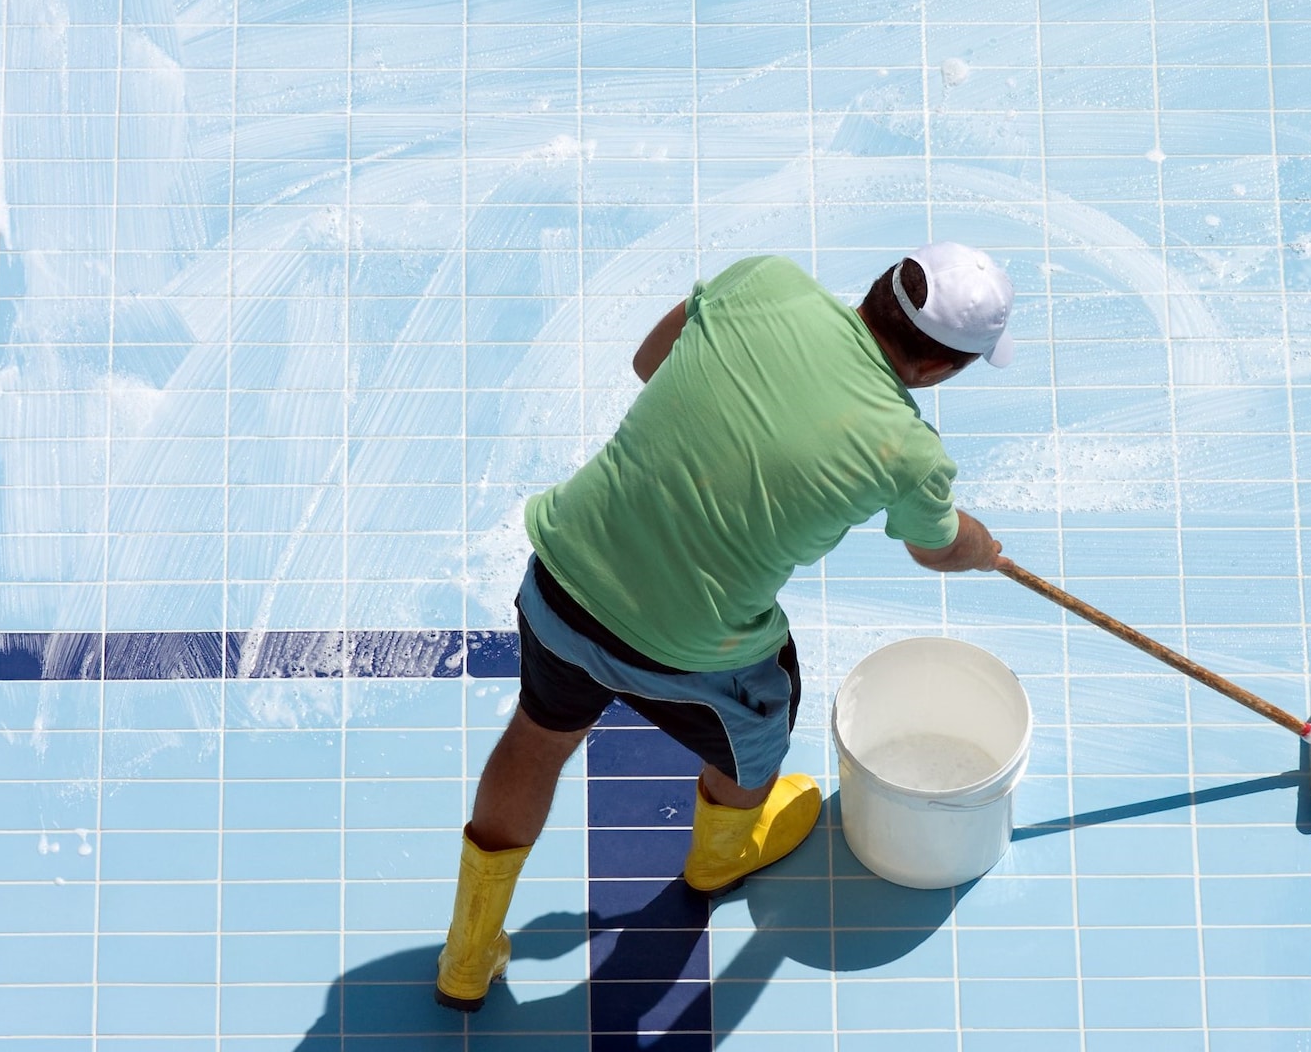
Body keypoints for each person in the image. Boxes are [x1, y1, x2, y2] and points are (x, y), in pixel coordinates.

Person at [433, 242, 1016, 1012]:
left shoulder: (764, 280)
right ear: (939, 371)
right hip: (690, 651)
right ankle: (720, 856)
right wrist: (980, 548)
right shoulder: (908, 454)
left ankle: (466, 954)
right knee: (766, 721)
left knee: (539, 737)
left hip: (566, 576)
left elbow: (650, 362)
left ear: (882, 286)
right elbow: (937, 546)